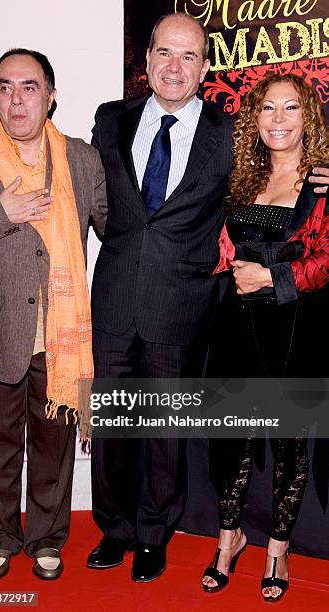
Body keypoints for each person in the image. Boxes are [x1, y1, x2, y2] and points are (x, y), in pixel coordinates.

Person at [87, 12, 235, 582]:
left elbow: (274, 178)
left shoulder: (228, 132)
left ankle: (154, 533)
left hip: (181, 305)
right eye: (164, 53)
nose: (175, 67)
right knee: (113, 428)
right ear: (146, 59)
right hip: (115, 299)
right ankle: (115, 528)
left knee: (164, 434)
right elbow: (90, 196)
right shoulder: (109, 121)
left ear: (203, 66)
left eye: (189, 56)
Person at [0, 49, 106, 581]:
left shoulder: (80, 157)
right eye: (5, 87)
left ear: (51, 96)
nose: (16, 99)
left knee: (51, 448)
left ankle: (47, 539)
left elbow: (116, 225)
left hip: (61, 333)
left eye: (29, 87)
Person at [202, 73, 329, 602]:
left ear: (309, 119)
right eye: (268, 108)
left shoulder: (324, 184)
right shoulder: (240, 178)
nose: (278, 119)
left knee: (289, 442)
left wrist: (271, 279)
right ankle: (229, 537)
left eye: (291, 109)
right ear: (254, 119)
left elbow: (326, 260)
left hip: (297, 328)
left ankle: (278, 546)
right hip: (237, 328)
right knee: (234, 434)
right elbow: (219, 249)